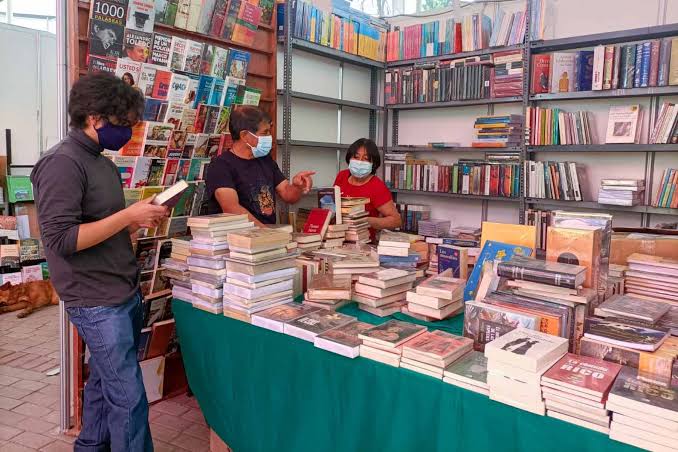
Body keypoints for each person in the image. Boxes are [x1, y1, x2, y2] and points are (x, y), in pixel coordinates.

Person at [31, 73, 168, 452]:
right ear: (95, 118)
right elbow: (60, 240)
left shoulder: (102, 164)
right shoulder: (61, 163)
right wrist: (126, 218)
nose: (129, 132)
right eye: (124, 123)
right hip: (93, 298)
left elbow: (99, 227)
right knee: (128, 396)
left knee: (104, 384)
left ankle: (90, 446)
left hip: (120, 289)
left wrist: (134, 225)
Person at [205, 106, 314, 226]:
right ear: (245, 135)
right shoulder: (221, 165)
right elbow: (232, 209)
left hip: (265, 237)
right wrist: (266, 233)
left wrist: (297, 186)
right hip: (237, 239)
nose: (269, 137)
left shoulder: (265, 160)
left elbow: (288, 196)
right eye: (265, 132)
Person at [333, 138, 401, 240]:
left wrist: (365, 220)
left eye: (366, 159)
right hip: (336, 239)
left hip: (362, 244)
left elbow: (396, 220)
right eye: (356, 157)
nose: (359, 162)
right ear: (349, 158)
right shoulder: (342, 176)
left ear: (373, 163)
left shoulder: (377, 186)